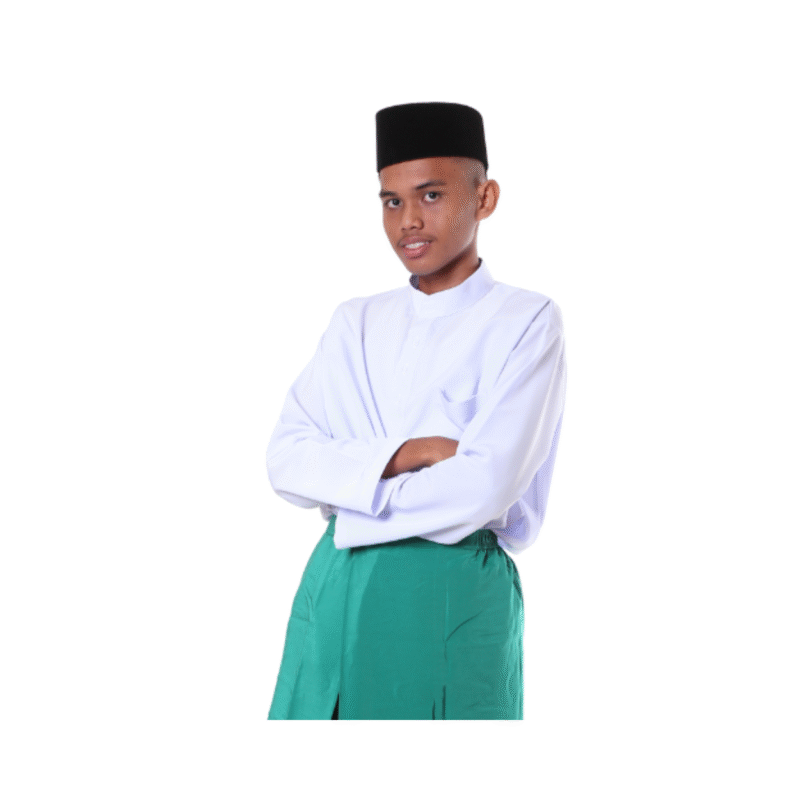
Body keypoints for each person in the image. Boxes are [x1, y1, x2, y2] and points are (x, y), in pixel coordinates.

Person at [265, 102, 567, 720]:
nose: (408, 221)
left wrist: (351, 489)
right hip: (335, 586)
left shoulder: (525, 321)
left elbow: (484, 486)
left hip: (449, 593)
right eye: (391, 201)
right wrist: (413, 453)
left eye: (431, 195)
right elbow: (286, 461)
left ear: (484, 198)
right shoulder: (355, 323)